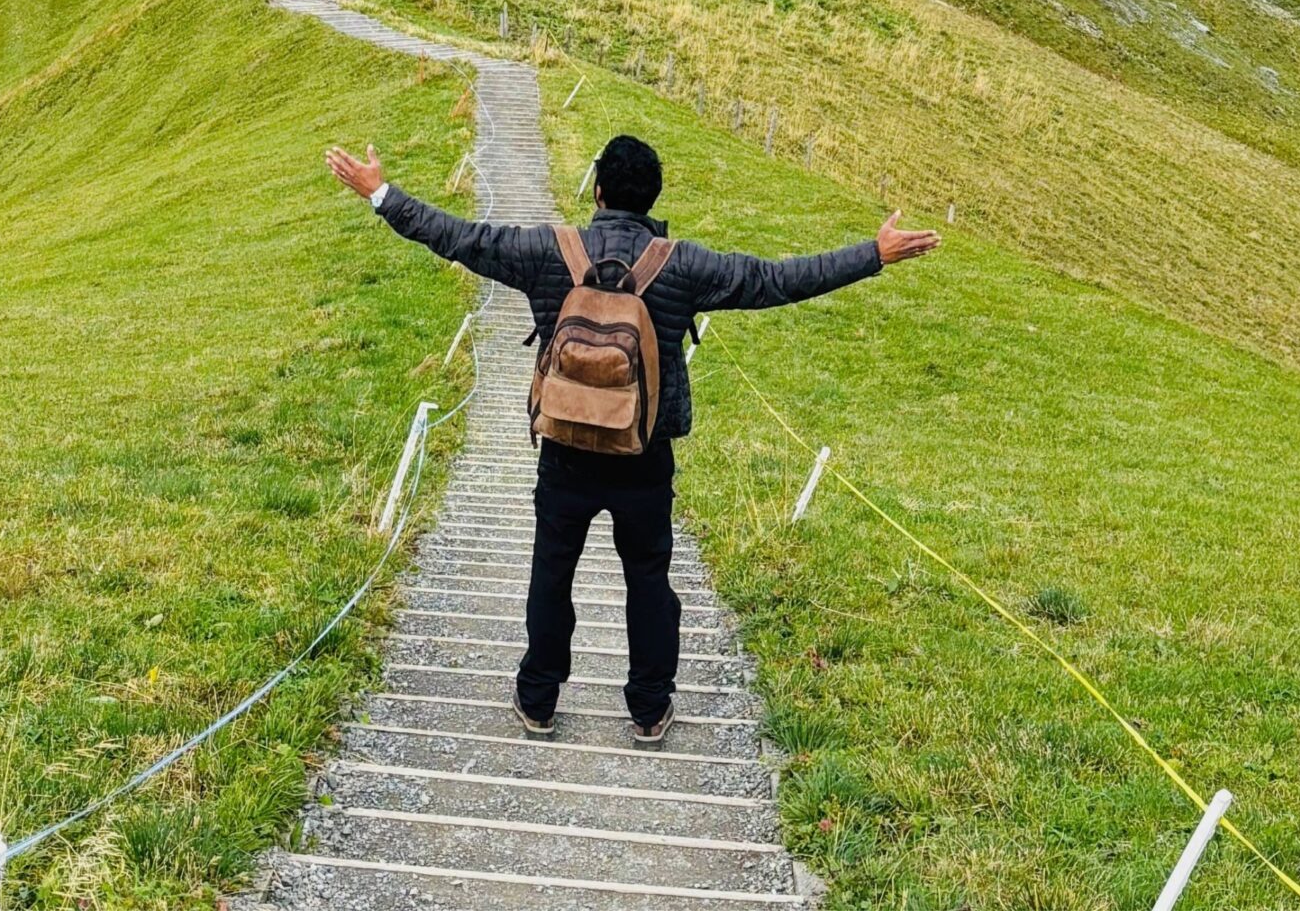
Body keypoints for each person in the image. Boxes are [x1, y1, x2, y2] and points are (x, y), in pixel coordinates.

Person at [324, 128, 939, 745]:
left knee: (551, 573)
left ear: (597, 191)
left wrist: (382, 194)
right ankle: (648, 709)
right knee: (648, 580)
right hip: (644, 454)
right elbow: (778, 280)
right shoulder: (684, 265)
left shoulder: (549, 250)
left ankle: (538, 699)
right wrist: (873, 254)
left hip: (565, 448)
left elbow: (460, 238)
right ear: (653, 200)